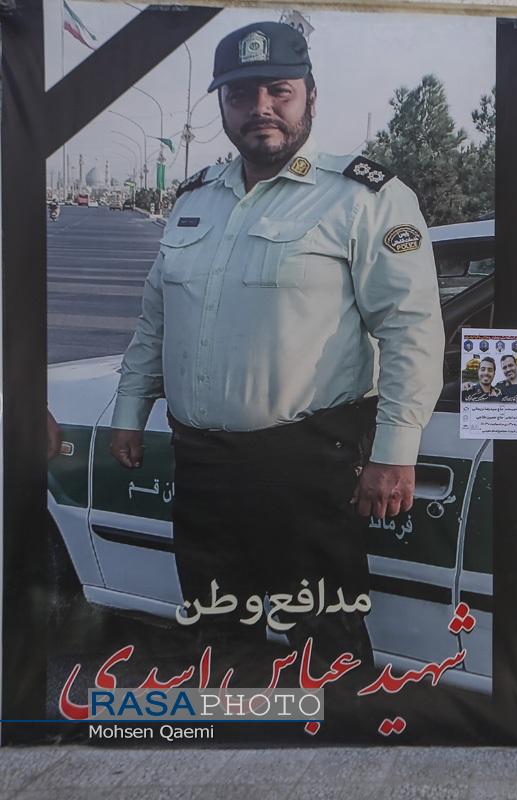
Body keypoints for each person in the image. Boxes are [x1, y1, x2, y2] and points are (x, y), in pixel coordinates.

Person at [108, 21, 444, 683]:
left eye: (278, 91)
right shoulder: (196, 199)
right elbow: (156, 319)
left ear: (310, 96)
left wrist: (395, 452)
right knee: (214, 631)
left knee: (325, 641)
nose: (260, 106)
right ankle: (239, 740)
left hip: (309, 462)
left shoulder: (363, 197)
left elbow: (411, 329)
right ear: (223, 106)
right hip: (202, 461)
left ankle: (336, 746)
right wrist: (129, 409)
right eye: (240, 94)